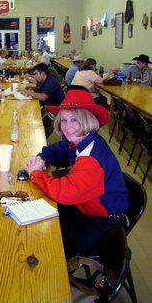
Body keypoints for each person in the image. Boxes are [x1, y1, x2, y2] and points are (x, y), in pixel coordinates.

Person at [24, 88, 129, 259]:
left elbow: (65, 192)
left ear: (87, 120)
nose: (67, 126)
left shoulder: (92, 158)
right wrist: (42, 158)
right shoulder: (82, 140)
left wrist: (36, 174)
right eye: (63, 120)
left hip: (102, 220)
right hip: (85, 205)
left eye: (74, 119)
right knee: (42, 220)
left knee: (48, 248)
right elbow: (57, 149)